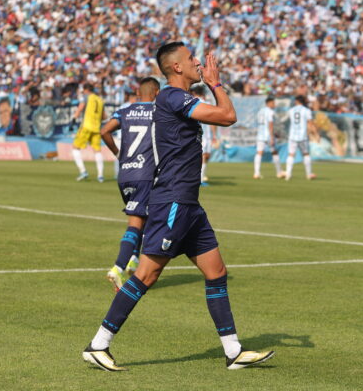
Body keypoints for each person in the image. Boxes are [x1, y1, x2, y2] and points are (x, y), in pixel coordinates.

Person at [82, 42, 275, 372]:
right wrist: (215, 83)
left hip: (189, 205)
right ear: (176, 68)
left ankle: (233, 351)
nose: (198, 63)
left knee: (216, 273)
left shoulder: (175, 98)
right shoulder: (171, 96)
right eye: (191, 59)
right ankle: (98, 345)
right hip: (171, 200)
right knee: (146, 274)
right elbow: (228, 116)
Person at [99, 77, 160, 292]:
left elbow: (104, 131)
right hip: (145, 173)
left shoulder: (125, 111)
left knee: (145, 217)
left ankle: (134, 260)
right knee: (137, 222)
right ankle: (118, 268)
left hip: (125, 173)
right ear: (155, 93)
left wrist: (118, 154)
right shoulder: (157, 112)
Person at [72, 83, 105, 182]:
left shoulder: (86, 97)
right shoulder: (100, 99)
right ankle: (100, 175)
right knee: (97, 151)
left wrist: (74, 118)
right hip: (97, 128)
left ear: (86, 90)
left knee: (75, 148)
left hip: (86, 126)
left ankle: (83, 171)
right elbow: (104, 116)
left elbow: (81, 107)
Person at [284, 95, 315, 181]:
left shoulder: (291, 110)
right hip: (302, 136)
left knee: (291, 154)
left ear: (297, 101)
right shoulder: (307, 111)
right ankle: (308, 174)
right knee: (306, 154)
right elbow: (310, 123)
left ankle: (288, 174)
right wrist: (314, 133)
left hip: (292, 135)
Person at [192, 85, 218, 186]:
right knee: (203, 156)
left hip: (197, 133)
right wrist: (215, 135)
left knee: (204, 156)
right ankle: (199, 179)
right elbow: (212, 121)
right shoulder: (206, 104)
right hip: (203, 134)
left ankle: (200, 177)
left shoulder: (192, 102)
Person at [253, 96, 284, 179]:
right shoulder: (270, 112)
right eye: (273, 103)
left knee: (259, 153)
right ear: (269, 103)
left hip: (260, 134)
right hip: (267, 135)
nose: (274, 105)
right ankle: (279, 172)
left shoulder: (260, 111)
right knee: (274, 152)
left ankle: (256, 173)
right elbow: (270, 124)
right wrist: (272, 136)